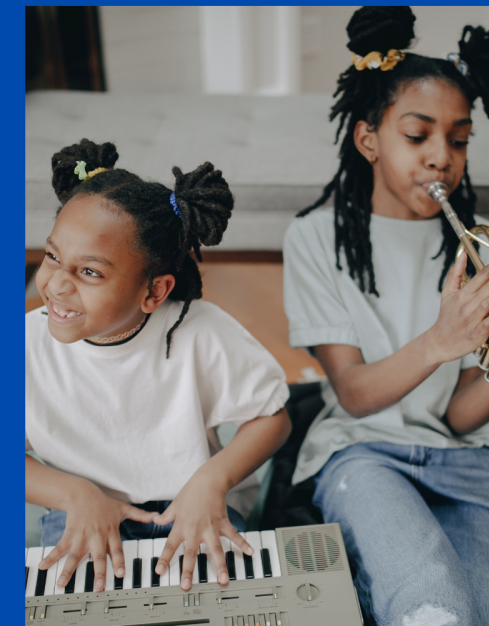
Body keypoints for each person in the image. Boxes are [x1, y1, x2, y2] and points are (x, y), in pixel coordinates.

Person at [283, 7, 489, 626]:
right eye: (418, 135)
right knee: (436, 614)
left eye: (457, 140)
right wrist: (441, 339)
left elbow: (457, 414)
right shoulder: (316, 239)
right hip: (363, 450)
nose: (440, 158)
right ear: (368, 138)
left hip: (471, 457)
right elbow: (354, 394)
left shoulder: (488, 243)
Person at [26, 139, 291, 594]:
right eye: (53, 257)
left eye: (89, 272)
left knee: (227, 609)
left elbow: (273, 418)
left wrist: (211, 482)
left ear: (155, 292)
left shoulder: (201, 331)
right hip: (83, 511)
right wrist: (77, 496)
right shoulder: (22, 345)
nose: (57, 285)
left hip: (192, 506)